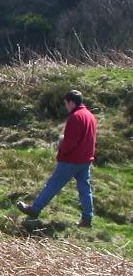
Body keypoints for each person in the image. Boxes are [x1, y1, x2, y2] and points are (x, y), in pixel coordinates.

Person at [17, 90, 97, 228]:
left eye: (66, 103)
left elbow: (70, 143)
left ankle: (35, 209)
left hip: (71, 159)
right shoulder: (90, 116)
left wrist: (61, 145)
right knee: (85, 189)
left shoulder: (75, 117)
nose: (66, 106)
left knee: (53, 184)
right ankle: (87, 218)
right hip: (85, 159)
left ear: (71, 102)